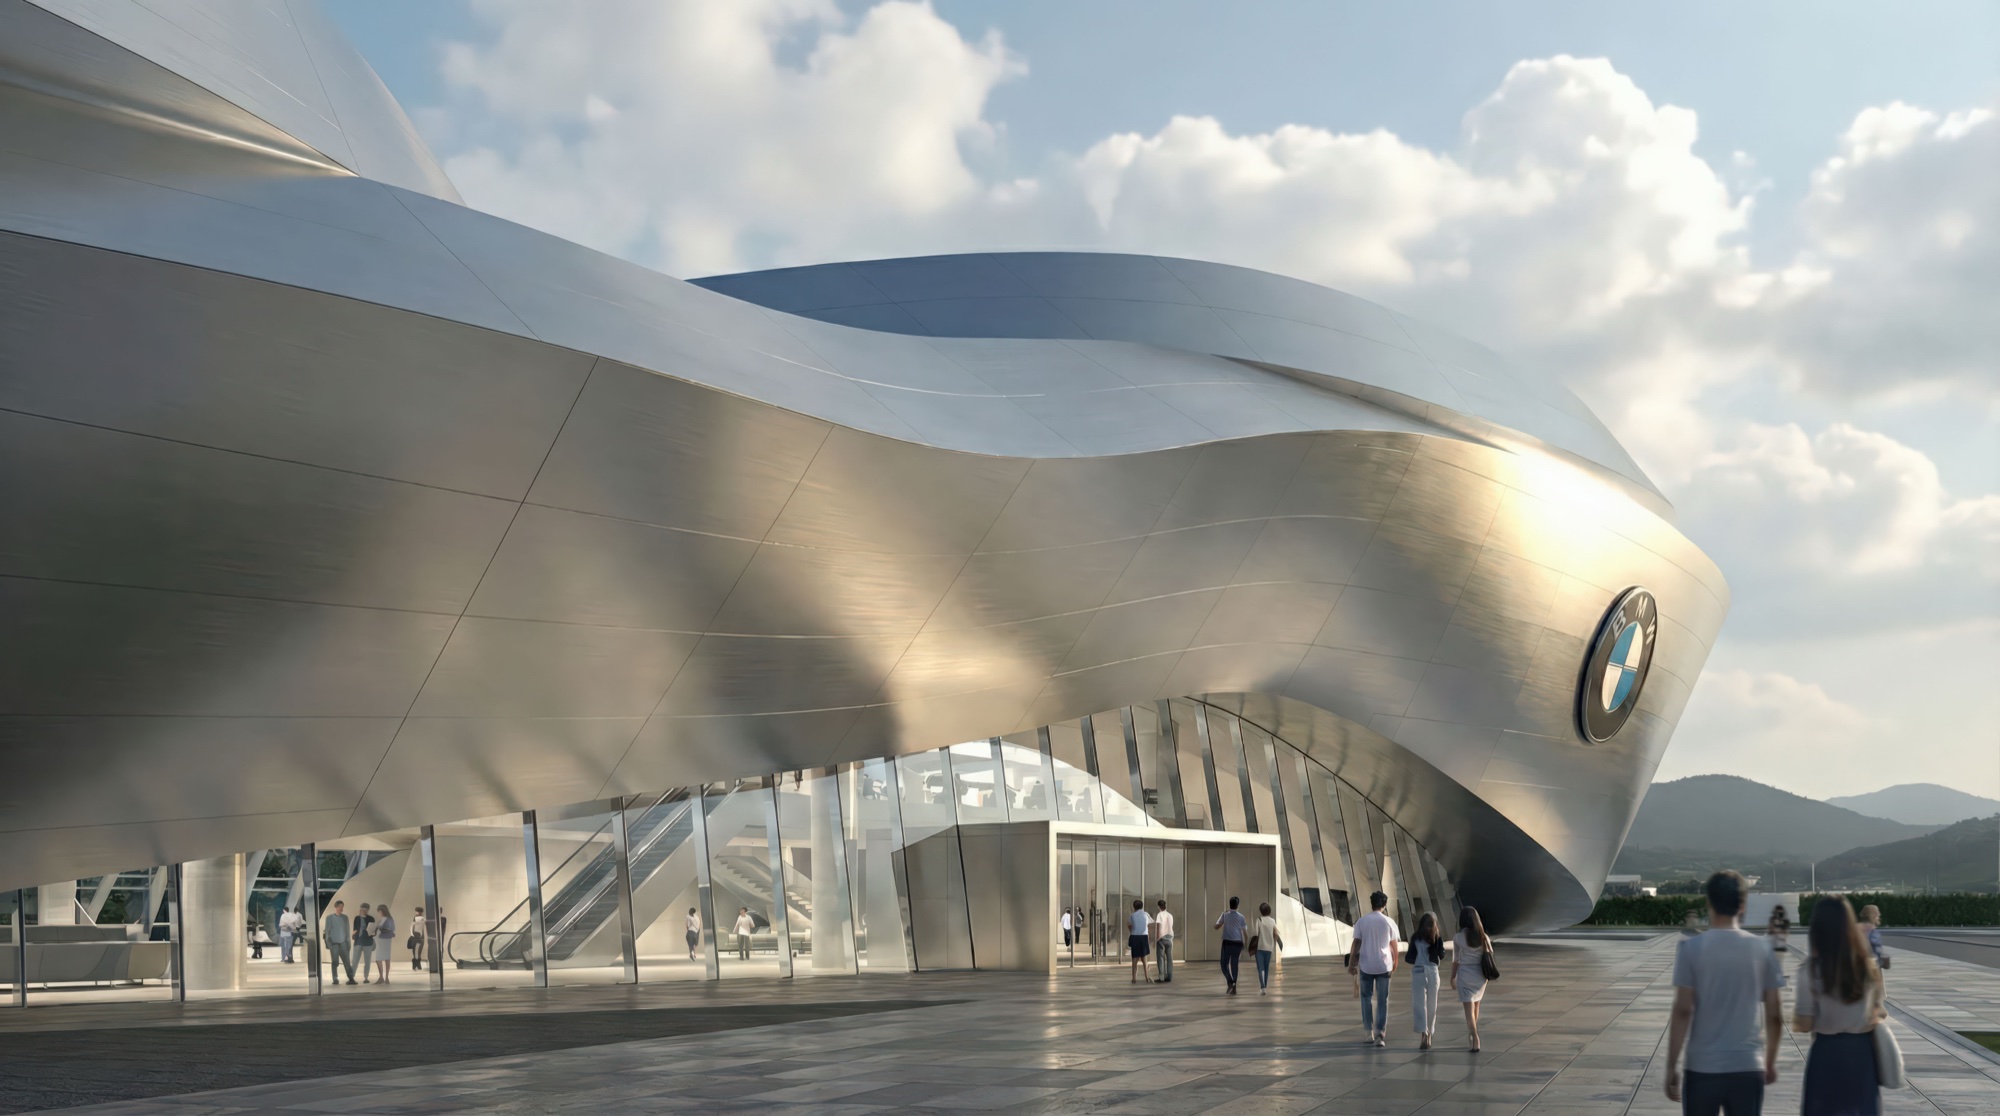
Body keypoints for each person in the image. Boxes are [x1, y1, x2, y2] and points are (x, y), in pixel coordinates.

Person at [1664, 870, 1783, 1115]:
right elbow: (1774, 1015)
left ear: (1709, 903)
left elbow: (1683, 1011)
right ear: (1742, 904)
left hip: (1703, 1067)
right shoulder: (1763, 948)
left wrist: (1671, 1065)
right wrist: (1769, 1060)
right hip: (1747, 1065)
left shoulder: (1690, 949)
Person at [1794, 897, 1885, 1114]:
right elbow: (1879, 1010)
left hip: (1826, 1052)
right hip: (1861, 1052)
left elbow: (1805, 1023)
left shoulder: (1810, 970)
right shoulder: (1867, 965)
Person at [1351, 890, 1400, 1046]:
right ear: (1384, 905)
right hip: (1384, 964)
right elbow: (1394, 945)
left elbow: (1356, 943)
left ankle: (1368, 1032)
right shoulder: (1389, 922)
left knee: (1366, 998)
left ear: (1371, 904)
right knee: (1382, 999)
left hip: (1366, 964)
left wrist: (1351, 963)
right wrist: (1396, 961)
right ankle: (1380, 1033)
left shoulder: (1362, 921)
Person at [1452, 906, 1493, 1052]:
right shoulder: (1483, 937)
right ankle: (1473, 1034)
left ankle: (1474, 1036)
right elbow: (1489, 954)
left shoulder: (1458, 938)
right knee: (1476, 1006)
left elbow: (1456, 960)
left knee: (1468, 1009)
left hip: (1465, 974)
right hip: (1480, 975)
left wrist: (1452, 977)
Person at [1407, 911, 1444, 1050]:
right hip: (1433, 971)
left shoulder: (1416, 938)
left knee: (1419, 1004)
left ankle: (1424, 1032)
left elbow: (1410, 957)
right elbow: (1441, 955)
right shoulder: (1437, 937)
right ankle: (1430, 1034)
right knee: (1432, 1004)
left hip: (1418, 971)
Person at [1215, 896, 1248, 995]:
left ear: (1229, 904)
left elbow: (1216, 926)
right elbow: (1245, 933)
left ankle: (1230, 982)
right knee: (1234, 964)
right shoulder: (1241, 917)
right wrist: (1245, 944)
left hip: (1227, 942)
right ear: (1238, 905)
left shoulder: (1225, 915)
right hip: (1238, 943)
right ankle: (1233, 985)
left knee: (1224, 964)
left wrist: (1222, 921)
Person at [323, 900, 355, 985]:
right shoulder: (329, 918)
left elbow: (347, 930)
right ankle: (335, 978)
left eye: (342, 906)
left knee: (347, 962)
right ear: (336, 907)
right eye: (340, 906)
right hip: (334, 943)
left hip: (343, 943)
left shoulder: (345, 918)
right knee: (335, 961)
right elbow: (327, 931)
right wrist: (328, 943)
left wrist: (348, 943)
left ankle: (351, 978)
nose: (341, 908)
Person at [1252, 902, 1281, 994]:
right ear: (1269, 911)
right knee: (1266, 968)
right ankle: (1265, 986)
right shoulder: (1272, 921)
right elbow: (1276, 933)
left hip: (1260, 947)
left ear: (1261, 911)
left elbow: (1255, 933)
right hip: (1269, 948)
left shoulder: (1259, 920)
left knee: (1261, 968)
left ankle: (1263, 987)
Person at [1127, 899, 1153, 984]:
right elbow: (1151, 923)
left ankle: (1134, 978)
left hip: (1135, 937)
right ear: (1142, 906)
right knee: (1144, 959)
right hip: (1143, 937)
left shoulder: (1132, 915)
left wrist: (1133, 931)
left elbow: (1129, 925)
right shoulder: (1146, 914)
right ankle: (1147, 977)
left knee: (1134, 959)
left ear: (1134, 907)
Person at [1859, 905, 1888, 979]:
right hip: (1871, 969)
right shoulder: (1872, 932)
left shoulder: (1856, 929)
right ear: (1874, 915)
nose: (1879, 915)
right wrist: (1883, 962)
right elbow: (1876, 951)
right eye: (1878, 914)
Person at [353, 903, 377, 983]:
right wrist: (354, 936)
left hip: (368, 941)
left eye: (365, 909)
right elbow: (355, 929)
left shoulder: (371, 918)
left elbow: (373, 931)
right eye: (362, 909)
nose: (364, 911)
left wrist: (371, 932)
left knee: (367, 961)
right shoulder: (357, 918)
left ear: (368, 910)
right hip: (358, 941)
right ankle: (352, 976)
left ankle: (366, 977)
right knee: (355, 960)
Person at [1152, 900, 1175, 983]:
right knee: (1169, 958)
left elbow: (1159, 927)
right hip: (1170, 937)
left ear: (1159, 906)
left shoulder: (1159, 915)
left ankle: (1161, 977)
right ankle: (1169, 976)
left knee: (1160, 958)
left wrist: (1157, 938)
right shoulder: (1170, 915)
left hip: (1162, 937)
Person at [374, 907, 396, 985]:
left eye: (380, 911)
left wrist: (380, 928)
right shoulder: (383, 919)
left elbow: (391, 930)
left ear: (382, 911)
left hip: (385, 940)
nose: (379, 913)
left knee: (384, 958)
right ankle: (383, 977)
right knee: (381, 958)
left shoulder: (388, 919)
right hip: (381, 940)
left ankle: (385, 977)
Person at [409, 907, 427, 971]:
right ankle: (417, 964)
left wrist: (411, 934)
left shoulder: (417, 918)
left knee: (415, 951)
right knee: (418, 951)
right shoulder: (422, 918)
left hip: (417, 935)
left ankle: (416, 964)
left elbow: (412, 926)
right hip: (420, 935)